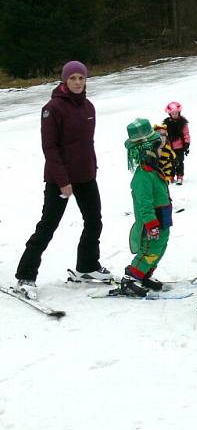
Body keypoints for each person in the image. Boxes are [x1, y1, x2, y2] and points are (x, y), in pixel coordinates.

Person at [14, 61, 111, 299]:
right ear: (65, 81)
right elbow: (50, 148)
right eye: (73, 78)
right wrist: (63, 180)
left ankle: (87, 267)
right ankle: (25, 276)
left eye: (82, 78)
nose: (78, 82)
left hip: (87, 177)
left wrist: (92, 168)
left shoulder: (88, 107)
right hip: (60, 180)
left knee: (94, 221)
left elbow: (86, 143)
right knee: (48, 226)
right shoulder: (53, 108)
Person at [117, 119, 173, 297]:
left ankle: (144, 275)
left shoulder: (153, 170)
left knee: (160, 248)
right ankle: (131, 278)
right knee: (149, 251)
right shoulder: (143, 176)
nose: (160, 152)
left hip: (162, 219)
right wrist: (151, 224)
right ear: (146, 152)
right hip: (152, 223)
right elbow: (144, 204)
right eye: (157, 149)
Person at [164, 102, 190, 184]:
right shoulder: (167, 123)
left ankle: (180, 176)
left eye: (176, 113)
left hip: (180, 147)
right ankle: (171, 176)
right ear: (169, 114)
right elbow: (164, 134)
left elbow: (186, 134)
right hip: (170, 147)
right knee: (170, 163)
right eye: (172, 113)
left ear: (179, 112)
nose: (174, 115)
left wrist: (186, 144)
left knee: (179, 162)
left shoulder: (183, 123)